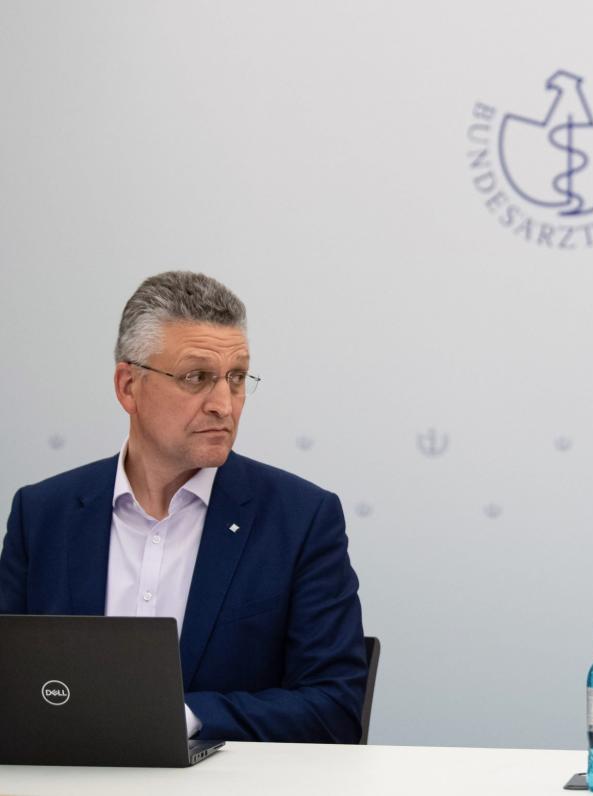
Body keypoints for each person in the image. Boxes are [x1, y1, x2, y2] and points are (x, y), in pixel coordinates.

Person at [0, 271, 367, 743]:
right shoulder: (43, 514)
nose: (224, 405)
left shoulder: (300, 520)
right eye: (197, 378)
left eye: (236, 379)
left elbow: (334, 707)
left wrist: (183, 717)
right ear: (128, 386)